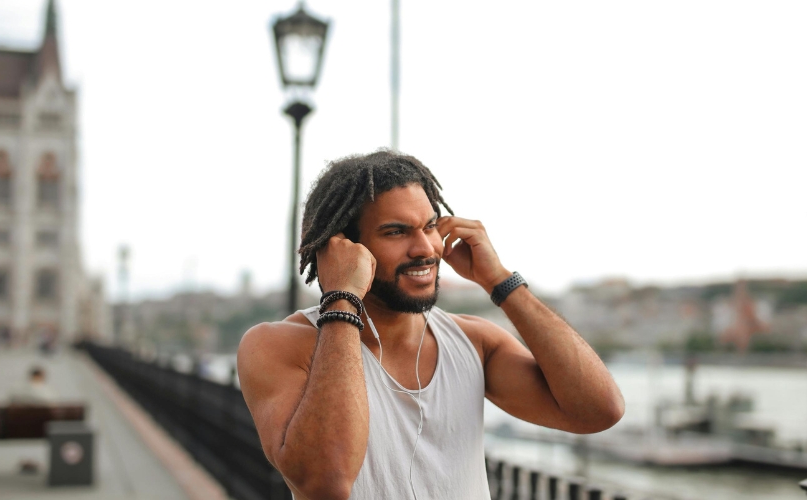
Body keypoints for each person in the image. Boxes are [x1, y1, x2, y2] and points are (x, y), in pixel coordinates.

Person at [237, 150, 625, 500]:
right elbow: (326, 482)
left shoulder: (474, 342)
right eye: (396, 232)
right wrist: (341, 296)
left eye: (430, 226)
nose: (425, 248)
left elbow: (599, 410)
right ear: (340, 246)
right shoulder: (279, 345)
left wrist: (501, 283)